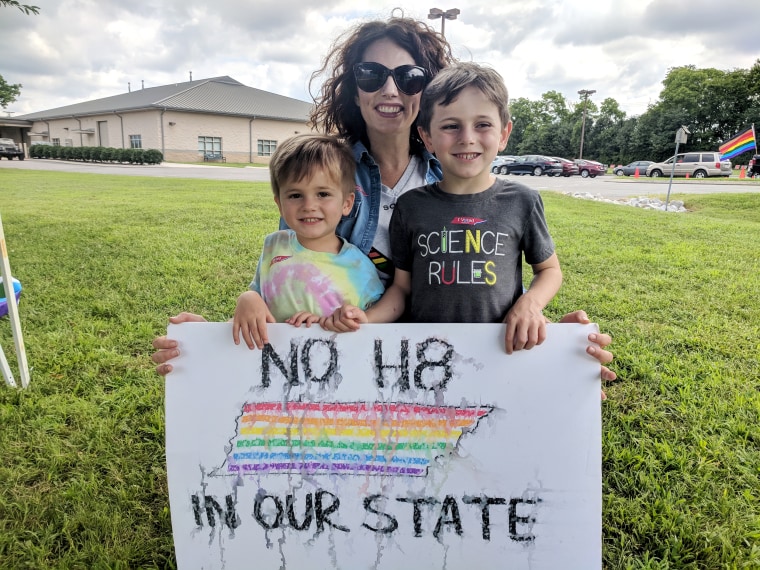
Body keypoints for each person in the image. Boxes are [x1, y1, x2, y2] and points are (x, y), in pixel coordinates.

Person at [152, 16, 615, 384]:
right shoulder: (321, 175)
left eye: (409, 76)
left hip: (449, 358)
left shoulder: (459, 171)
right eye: (371, 74)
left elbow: (487, 275)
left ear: (427, 94)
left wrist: (556, 346)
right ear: (354, 87)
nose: (390, 90)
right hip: (350, 357)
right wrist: (215, 336)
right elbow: (286, 275)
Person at [322, 62, 562, 354]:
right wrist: (367, 319)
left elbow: (549, 270)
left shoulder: (523, 201)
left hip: (498, 352)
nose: (467, 137)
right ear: (428, 137)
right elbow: (402, 289)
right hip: (425, 356)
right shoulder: (410, 207)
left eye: (482, 124)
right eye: (451, 126)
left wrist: (530, 305)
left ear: (504, 133)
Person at [231, 134, 384, 350]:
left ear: (347, 203)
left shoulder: (359, 267)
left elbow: (376, 332)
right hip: (273, 369)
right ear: (279, 204)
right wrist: (247, 298)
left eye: (322, 193)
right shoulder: (274, 246)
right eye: (295, 195)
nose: (309, 205)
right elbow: (259, 296)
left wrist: (345, 319)